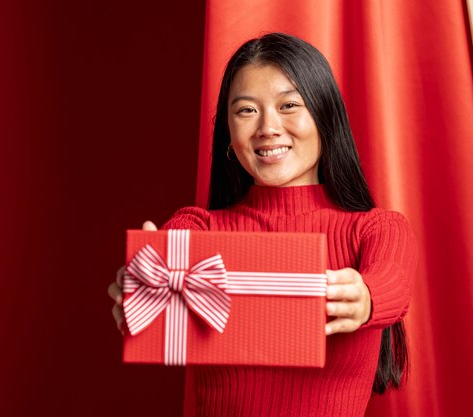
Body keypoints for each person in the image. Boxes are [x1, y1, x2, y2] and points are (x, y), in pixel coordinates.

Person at [109, 32, 418, 416]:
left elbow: (393, 283)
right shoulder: (200, 228)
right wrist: (139, 285)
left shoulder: (375, 229)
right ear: (229, 133)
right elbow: (156, 270)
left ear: (325, 117)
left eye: (289, 104)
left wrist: (367, 297)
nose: (267, 128)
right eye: (246, 110)